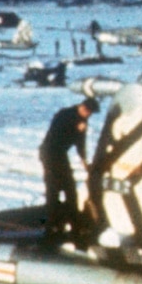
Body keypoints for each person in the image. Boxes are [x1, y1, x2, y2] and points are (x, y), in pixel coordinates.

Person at [39, 96, 99, 242]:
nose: (88, 116)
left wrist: (84, 161)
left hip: (61, 155)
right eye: (88, 113)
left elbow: (80, 143)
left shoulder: (82, 120)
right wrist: (75, 127)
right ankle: (52, 226)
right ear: (83, 108)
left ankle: (74, 224)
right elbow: (55, 137)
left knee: (70, 189)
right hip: (50, 153)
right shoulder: (65, 115)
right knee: (53, 189)